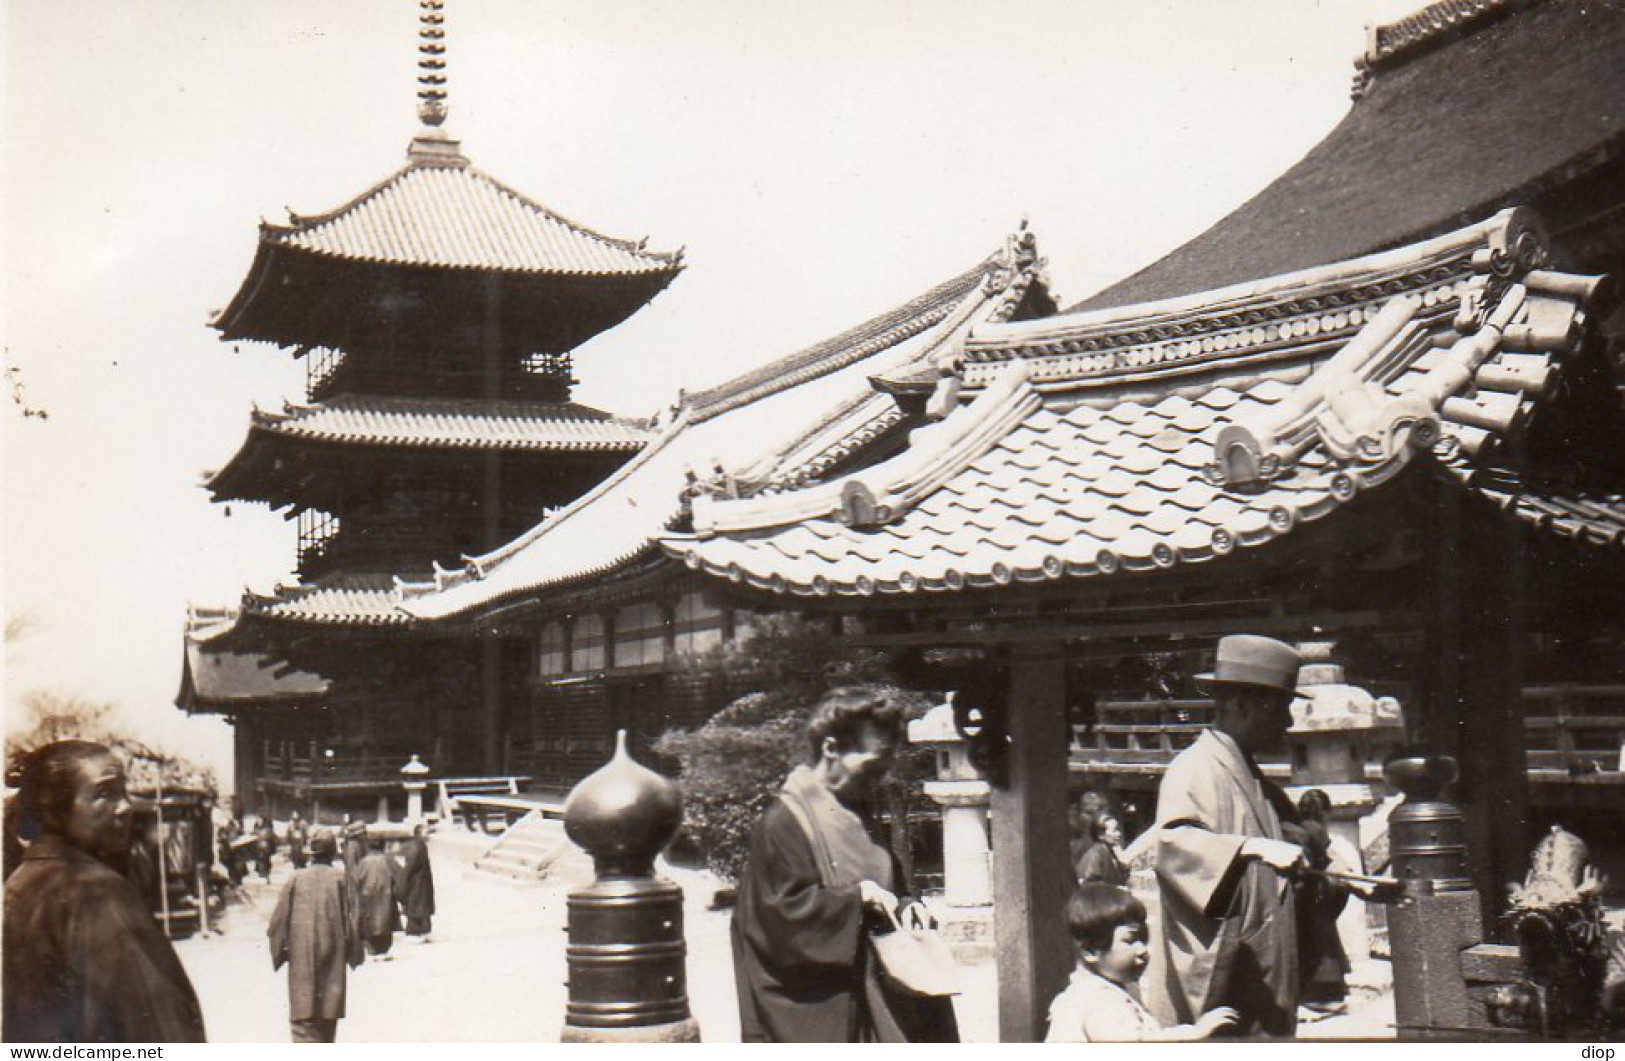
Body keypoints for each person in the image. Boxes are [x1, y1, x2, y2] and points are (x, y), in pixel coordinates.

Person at [732, 686, 958, 1043]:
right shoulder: (786, 821)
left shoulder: (856, 808)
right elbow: (777, 919)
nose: (880, 778)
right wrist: (856, 900)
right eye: (872, 765)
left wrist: (908, 905)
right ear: (831, 749)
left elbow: (889, 879)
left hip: (888, 984)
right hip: (833, 999)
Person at [1145, 634, 1306, 1038]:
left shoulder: (1256, 778)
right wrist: (1246, 847)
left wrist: (1347, 882)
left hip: (1265, 960)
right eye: (1281, 708)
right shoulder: (1194, 768)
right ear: (1240, 704)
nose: (1288, 723)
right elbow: (1171, 844)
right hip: (1233, 967)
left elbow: (1297, 854)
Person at [3, 740, 207, 1043]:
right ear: (56, 809)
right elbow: (159, 1025)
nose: (126, 807)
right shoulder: (95, 891)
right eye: (105, 793)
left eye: (123, 792)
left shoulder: (21, 882)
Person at [1047, 884, 1237, 1041]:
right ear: (1090, 951)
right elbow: (1136, 1042)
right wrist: (1192, 1032)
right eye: (1130, 940)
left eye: (1143, 939)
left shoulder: (1099, 990)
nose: (1143, 950)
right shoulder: (1095, 998)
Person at [268, 828, 363, 1043]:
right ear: (332, 853)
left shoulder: (296, 879)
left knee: (303, 1024)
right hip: (332, 960)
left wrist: (281, 952)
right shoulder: (341, 879)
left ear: (312, 854)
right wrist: (354, 954)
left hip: (301, 961)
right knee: (327, 1022)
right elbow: (353, 920)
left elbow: (277, 924)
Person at [1293, 789, 1352, 1006]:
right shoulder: (1316, 830)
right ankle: (1326, 986)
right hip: (1315, 891)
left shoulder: (1296, 828)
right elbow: (1325, 859)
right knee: (1321, 940)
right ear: (1324, 812)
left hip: (1300, 892)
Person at [354, 836, 400, 959]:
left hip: (368, 896)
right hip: (386, 895)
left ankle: (372, 948)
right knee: (385, 921)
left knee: (369, 922)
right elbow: (397, 878)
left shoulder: (363, 862)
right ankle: (383, 949)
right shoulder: (388, 860)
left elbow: (356, 881)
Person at [394, 822, 435, 941]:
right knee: (417, 908)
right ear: (419, 834)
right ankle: (416, 932)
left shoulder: (420, 845)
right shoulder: (416, 847)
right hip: (417, 884)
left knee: (420, 908)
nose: (428, 835)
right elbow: (410, 868)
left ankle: (421, 931)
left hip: (421, 884)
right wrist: (404, 882)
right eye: (426, 832)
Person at [1075, 810, 1130, 887]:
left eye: (1118, 830)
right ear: (1101, 835)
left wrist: (1124, 865)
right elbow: (1090, 884)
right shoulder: (1095, 854)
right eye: (1114, 830)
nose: (1119, 834)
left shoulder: (1112, 852)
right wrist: (1115, 889)